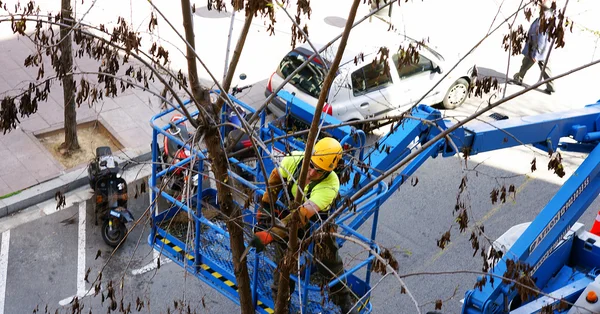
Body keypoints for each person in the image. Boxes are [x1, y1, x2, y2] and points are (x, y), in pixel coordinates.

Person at [253, 137, 358, 314]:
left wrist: (271, 234)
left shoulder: (330, 185)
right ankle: (281, 299)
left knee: (329, 258)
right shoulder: (294, 160)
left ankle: (344, 300)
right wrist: (264, 212)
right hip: (291, 211)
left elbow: (301, 215)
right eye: (310, 165)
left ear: (328, 171)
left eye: (318, 171)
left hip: (316, 223)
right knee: (284, 258)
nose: (310, 173)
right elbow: (274, 182)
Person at [513, 0, 555, 94]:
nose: (539, 5)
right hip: (543, 49)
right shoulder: (548, 17)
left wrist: (536, 53)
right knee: (545, 66)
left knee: (526, 62)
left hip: (536, 48)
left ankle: (519, 77)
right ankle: (550, 86)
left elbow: (541, 37)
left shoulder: (544, 19)